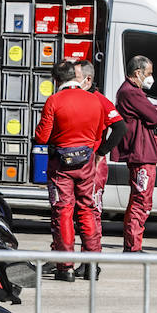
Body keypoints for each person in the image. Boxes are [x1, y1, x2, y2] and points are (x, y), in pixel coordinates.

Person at [33, 60, 123, 282]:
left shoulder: (54, 101)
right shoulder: (95, 101)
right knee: (88, 210)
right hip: (87, 164)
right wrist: (96, 151)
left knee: (63, 211)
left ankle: (65, 267)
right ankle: (92, 264)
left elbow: (42, 137)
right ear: (76, 75)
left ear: (56, 80)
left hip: (60, 166)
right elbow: (101, 133)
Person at [112, 54, 157, 252]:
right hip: (141, 155)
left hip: (144, 154)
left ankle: (134, 243)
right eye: (149, 74)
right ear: (138, 73)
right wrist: (155, 109)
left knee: (141, 199)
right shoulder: (132, 93)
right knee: (141, 199)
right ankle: (133, 245)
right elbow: (154, 116)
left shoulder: (132, 92)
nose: (151, 78)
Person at [74, 60, 122, 261]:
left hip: (94, 162)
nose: (71, 82)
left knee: (92, 211)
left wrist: (101, 152)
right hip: (78, 161)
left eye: (75, 77)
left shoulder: (99, 100)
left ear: (88, 79)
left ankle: (92, 259)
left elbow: (120, 127)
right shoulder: (76, 97)